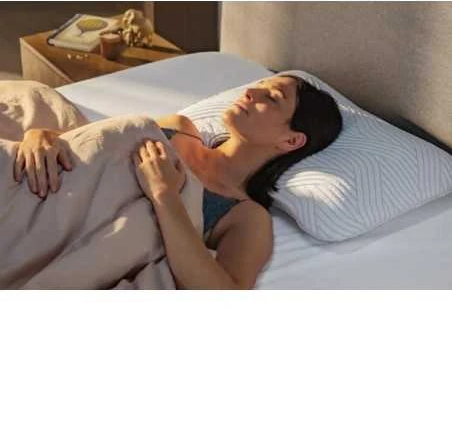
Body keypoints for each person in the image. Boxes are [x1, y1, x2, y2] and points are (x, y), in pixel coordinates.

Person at [12, 75, 342, 289]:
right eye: (260, 85)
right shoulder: (179, 127)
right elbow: (92, 147)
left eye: (271, 97)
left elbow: (222, 295)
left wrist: (164, 194)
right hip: (30, 187)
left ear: (291, 140)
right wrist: (40, 135)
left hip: (53, 238)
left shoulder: (247, 217)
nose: (251, 91)